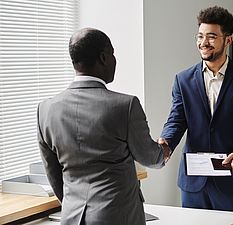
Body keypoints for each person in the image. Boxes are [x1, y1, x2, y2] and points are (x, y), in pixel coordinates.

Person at [37, 27, 171, 225]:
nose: (115, 60)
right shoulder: (125, 106)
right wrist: (163, 151)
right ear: (103, 58)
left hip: (72, 217)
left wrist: (73, 205)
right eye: (113, 54)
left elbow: (53, 172)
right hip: (117, 218)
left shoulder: (46, 109)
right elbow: (150, 157)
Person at [160, 6, 233, 213]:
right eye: (200, 36)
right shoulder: (183, 80)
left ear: (228, 40)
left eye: (211, 37)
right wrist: (166, 142)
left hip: (232, 181)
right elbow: (177, 120)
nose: (203, 43)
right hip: (194, 183)